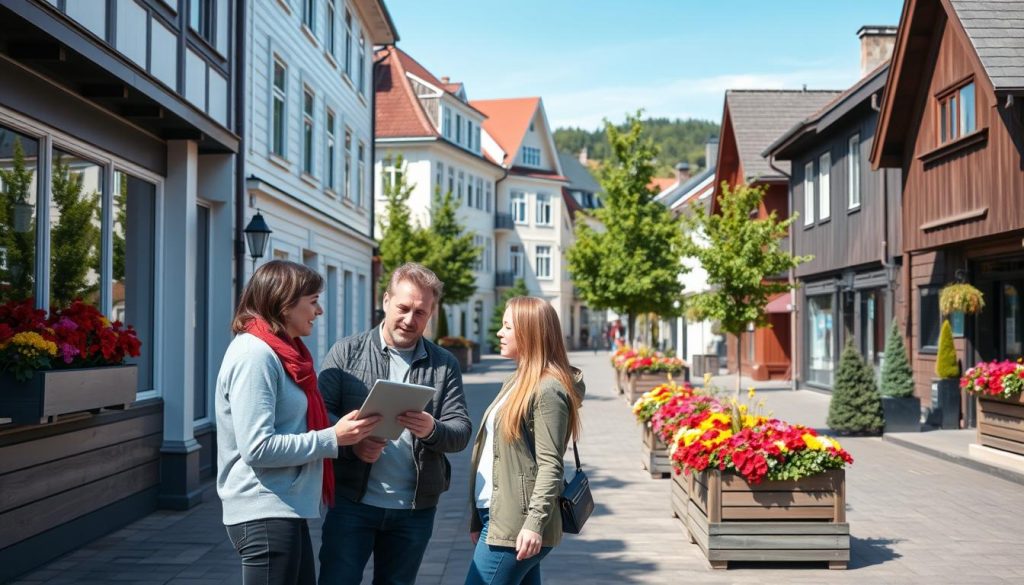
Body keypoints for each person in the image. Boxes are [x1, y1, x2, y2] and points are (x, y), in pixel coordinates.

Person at [216, 260, 381, 585]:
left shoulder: (284, 353)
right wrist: (332, 437)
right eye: (313, 301)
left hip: (283, 509)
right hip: (263, 510)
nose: (319, 311)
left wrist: (346, 431)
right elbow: (258, 448)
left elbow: (293, 423)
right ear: (284, 302)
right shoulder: (255, 356)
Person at [318, 262, 472, 585]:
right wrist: (353, 444)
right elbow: (319, 417)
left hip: (414, 510)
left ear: (430, 314)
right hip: (351, 503)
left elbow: (461, 432)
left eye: (420, 313)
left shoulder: (444, 365)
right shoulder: (346, 353)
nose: (409, 320)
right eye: (403, 308)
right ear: (386, 301)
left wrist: (432, 429)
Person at [465, 297, 585, 585]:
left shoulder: (547, 390)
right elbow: (493, 455)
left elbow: (550, 465)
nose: (499, 333)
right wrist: (477, 516)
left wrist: (533, 524)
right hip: (497, 515)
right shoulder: (516, 381)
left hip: (518, 522)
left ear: (530, 333)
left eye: (508, 327)